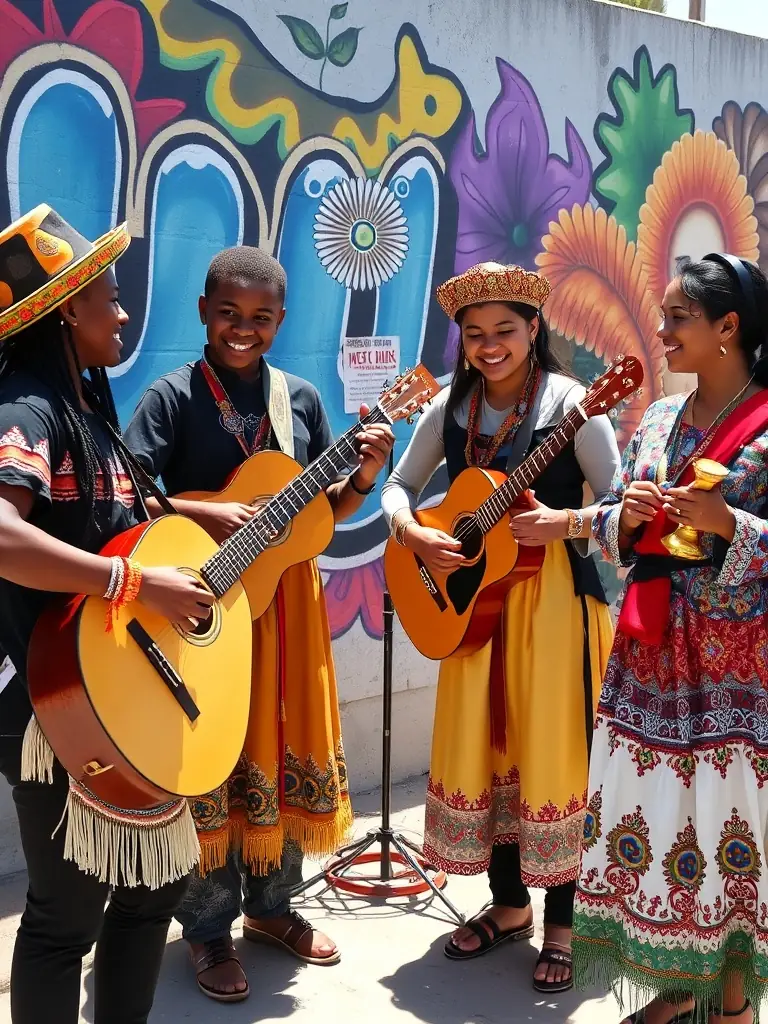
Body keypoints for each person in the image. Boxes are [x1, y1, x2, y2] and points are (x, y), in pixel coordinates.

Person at [124, 245, 395, 1002]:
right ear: (203, 312)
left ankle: (273, 908)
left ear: (280, 321)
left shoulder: (298, 398)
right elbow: (130, 491)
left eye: (261, 317)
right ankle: (207, 929)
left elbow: (321, 512)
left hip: (287, 606)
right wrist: (204, 510)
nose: (244, 329)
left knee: (281, 745)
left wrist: (365, 476)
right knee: (211, 758)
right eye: (229, 314)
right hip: (205, 608)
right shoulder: (171, 396)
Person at [380, 261, 620, 992]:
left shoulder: (576, 403)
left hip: (554, 609)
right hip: (473, 611)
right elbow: (399, 485)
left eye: (505, 330)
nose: (490, 346)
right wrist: (413, 534)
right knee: (491, 754)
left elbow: (619, 507)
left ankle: (565, 925)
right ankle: (510, 906)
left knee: (555, 756)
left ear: (534, 328)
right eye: (475, 334)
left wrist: (564, 522)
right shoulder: (451, 407)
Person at [0, 205, 214, 1023]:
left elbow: (104, 521)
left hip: (120, 696)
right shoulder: (28, 409)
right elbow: (3, 534)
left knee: (153, 892)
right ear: (65, 313)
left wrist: (204, 518)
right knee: (65, 918)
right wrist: (132, 585)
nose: (123, 315)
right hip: (52, 707)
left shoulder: (85, 406)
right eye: (111, 299)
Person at [573, 254, 768, 1024]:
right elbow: (616, 521)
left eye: (678, 317)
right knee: (660, 824)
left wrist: (732, 525)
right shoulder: (657, 418)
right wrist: (622, 517)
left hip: (735, 680)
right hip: (647, 666)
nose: (661, 331)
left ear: (729, 327)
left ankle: (731, 1005)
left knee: (727, 830)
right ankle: (681, 985)